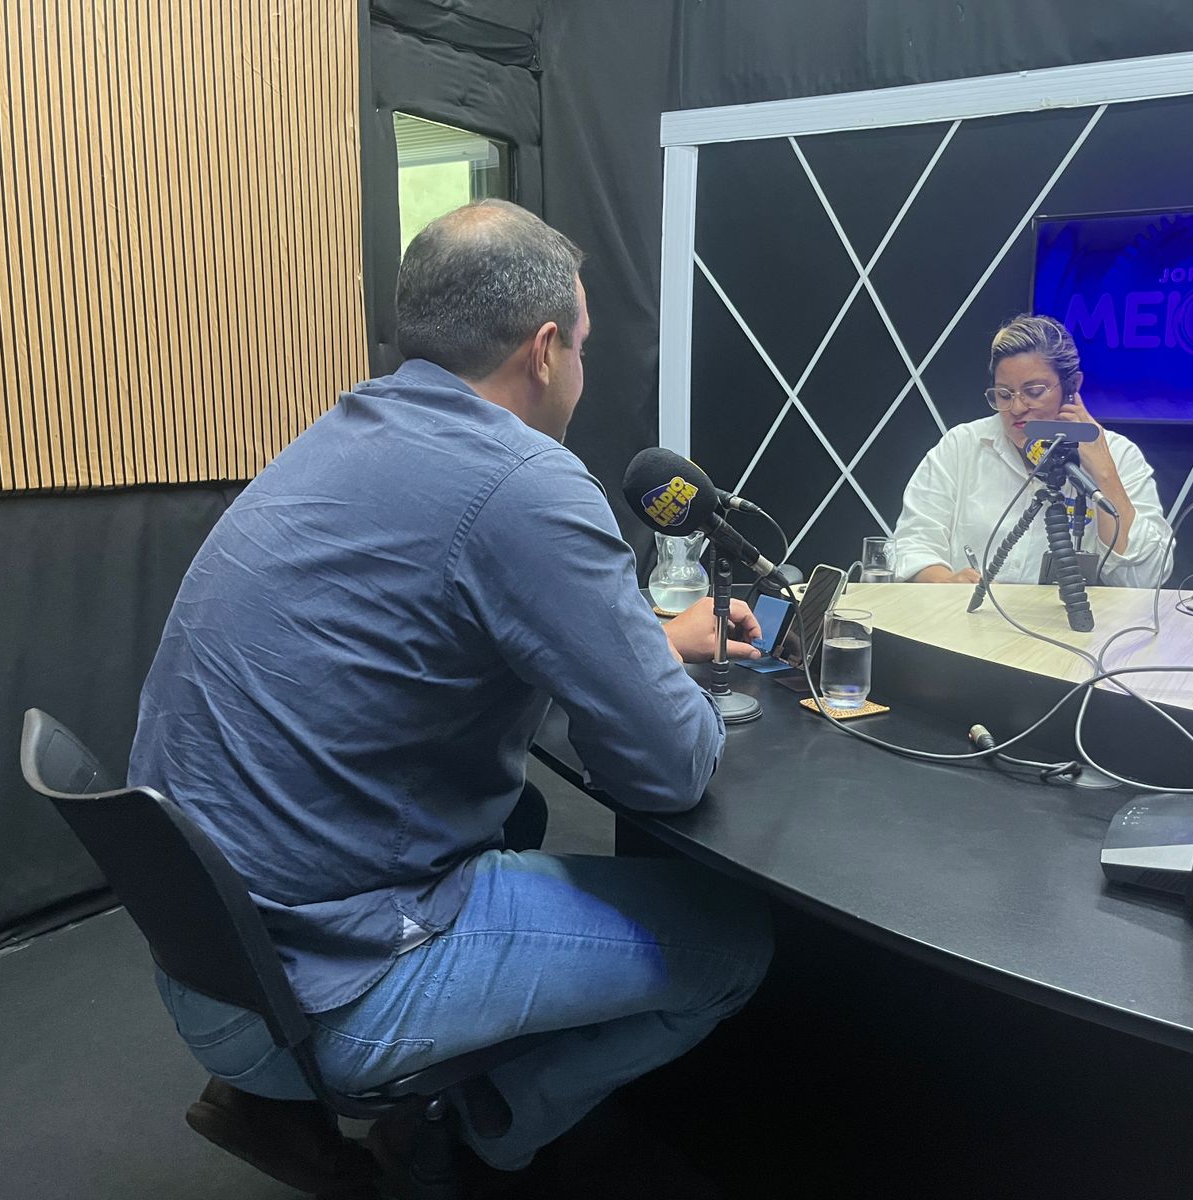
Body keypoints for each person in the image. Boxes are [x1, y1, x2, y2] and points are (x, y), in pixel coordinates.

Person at [128, 199, 773, 1192]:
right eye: (585, 347)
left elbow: (418, 619)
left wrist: (646, 639)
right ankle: (484, 1130)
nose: (583, 371)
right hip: (323, 992)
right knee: (732, 944)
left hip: (213, 958)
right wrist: (651, 676)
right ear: (545, 351)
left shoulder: (344, 431)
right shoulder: (527, 481)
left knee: (519, 811)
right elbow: (668, 767)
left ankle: (297, 1094)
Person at [891, 313, 1173, 588]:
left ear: (1072, 386)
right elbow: (912, 543)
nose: (1016, 408)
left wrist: (1104, 474)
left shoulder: (1119, 456)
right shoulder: (961, 445)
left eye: (1034, 392)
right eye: (1004, 394)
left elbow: (1144, 580)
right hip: (965, 616)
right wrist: (946, 582)